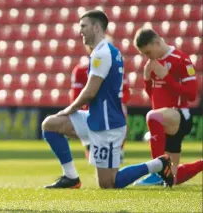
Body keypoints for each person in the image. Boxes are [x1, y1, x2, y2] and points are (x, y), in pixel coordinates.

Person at [41, 10, 174, 189]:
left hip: (108, 125)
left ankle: (159, 164)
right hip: (94, 118)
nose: (80, 31)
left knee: (109, 184)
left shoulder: (102, 53)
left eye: (83, 26)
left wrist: (69, 109)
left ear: (96, 28)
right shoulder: (105, 51)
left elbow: (90, 91)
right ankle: (71, 178)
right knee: (50, 124)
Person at [132, 28, 203, 186]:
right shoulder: (154, 62)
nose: (147, 57)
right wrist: (147, 80)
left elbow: (192, 95)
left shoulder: (181, 59)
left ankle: (157, 170)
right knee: (172, 177)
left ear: (157, 42)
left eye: (148, 52)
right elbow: (153, 96)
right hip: (165, 119)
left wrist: (166, 77)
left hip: (179, 115)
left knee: (153, 116)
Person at [71, 43, 130, 161]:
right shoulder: (81, 69)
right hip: (89, 108)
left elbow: (125, 91)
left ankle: (118, 149)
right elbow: (76, 95)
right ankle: (90, 145)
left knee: (122, 109)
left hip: (111, 108)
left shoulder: (118, 67)